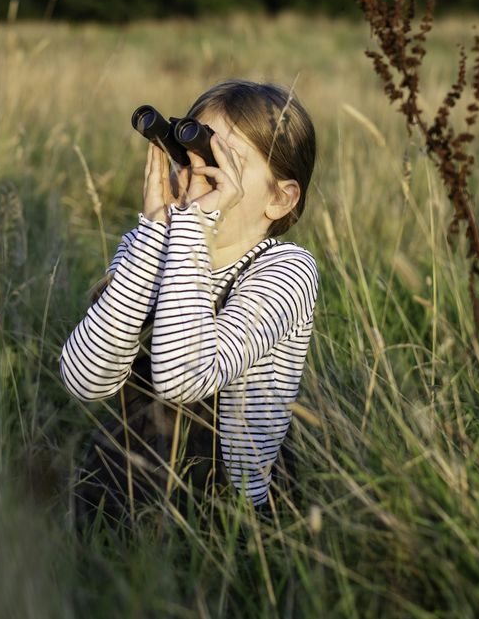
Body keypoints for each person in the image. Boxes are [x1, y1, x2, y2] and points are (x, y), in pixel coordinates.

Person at [60, 79, 319, 531]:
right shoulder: (152, 245)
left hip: (230, 506)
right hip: (128, 479)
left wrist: (188, 229)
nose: (197, 172)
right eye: (188, 153)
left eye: (222, 161)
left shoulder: (286, 270)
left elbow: (185, 378)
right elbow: (84, 380)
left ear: (280, 198)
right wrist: (154, 233)